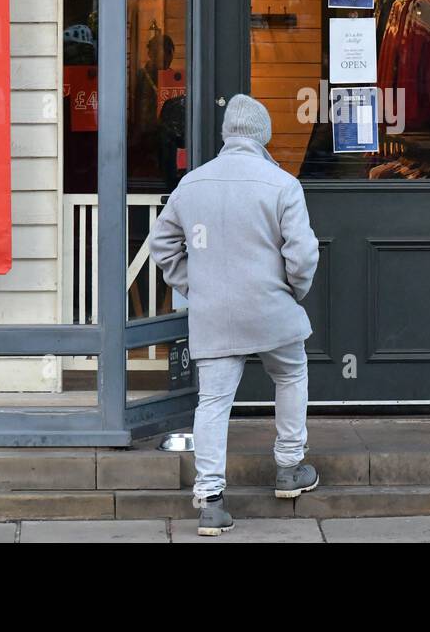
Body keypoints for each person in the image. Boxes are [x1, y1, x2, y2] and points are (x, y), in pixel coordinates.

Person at [149, 94, 321, 536]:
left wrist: (192, 284)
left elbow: (162, 245)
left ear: (227, 135)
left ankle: (210, 501)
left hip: (215, 314)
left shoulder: (193, 184)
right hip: (271, 310)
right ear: (263, 136)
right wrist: (291, 291)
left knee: (213, 401)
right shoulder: (281, 183)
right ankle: (289, 468)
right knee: (291, 374)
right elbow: (303, 255)